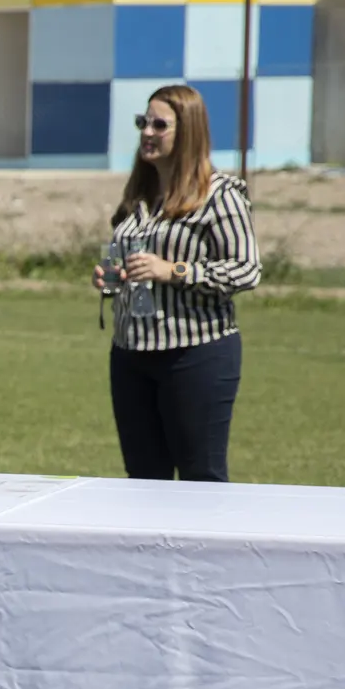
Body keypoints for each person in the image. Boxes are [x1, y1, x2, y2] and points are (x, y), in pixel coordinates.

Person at [93, 84, 260, 482]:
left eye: (159, 125)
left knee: (201, 477)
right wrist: (111, 279)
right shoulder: (138, 196)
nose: (147, 133)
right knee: (143, 480)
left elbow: (246, 269)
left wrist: (175, 271)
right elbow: (129, 260)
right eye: (143, 123)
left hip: (196, 354)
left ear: (188, 132)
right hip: (130, 355)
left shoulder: (220, 195)